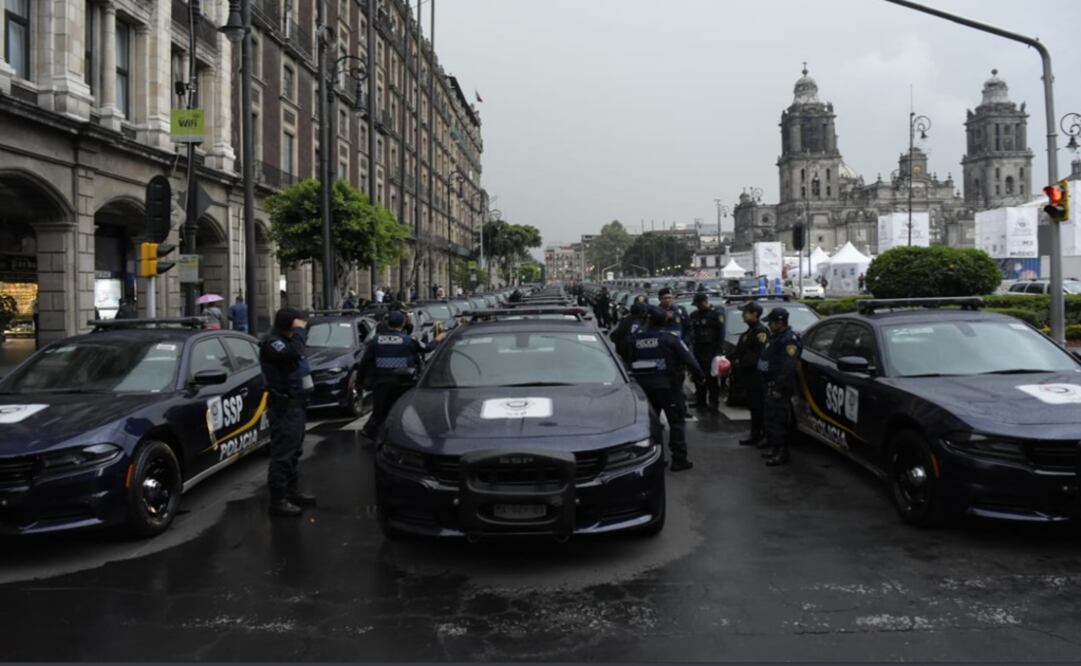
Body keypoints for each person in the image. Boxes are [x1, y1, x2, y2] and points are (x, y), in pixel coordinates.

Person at [631, 306, 705, 472]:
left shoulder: (636, 339)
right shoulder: (670, 338)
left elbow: (628, 359)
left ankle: (655, 459)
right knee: (676, 422)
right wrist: (699, 376)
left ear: (648, 320)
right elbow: (688, 358)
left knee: (651, 424)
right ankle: (679, 459)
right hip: (669, 387)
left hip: (644, 389)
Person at [259, 308, 317, 516]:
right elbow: (293, 353)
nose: (303, 329)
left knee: (294, 452)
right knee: (283, 454)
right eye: (299, 324)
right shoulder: (273, 343)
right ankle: (278, 500)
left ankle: (291, 492)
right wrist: (299, 331)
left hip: (297, 405)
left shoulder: (289, 340)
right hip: (284, 408)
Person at [359, 310, 445, 439]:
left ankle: (372, 433)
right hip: (403, 383)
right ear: (403, 323)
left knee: (379, 412)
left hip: (381, 383)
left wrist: (359, 383)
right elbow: (426, 348)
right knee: (402, 411)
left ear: (388, 323)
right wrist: (439, 338)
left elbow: (365, 362)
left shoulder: (376, 341)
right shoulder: (408, 340)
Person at [758, 307, 802, 467]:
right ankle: (775, 447)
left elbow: (787, 368)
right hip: (769, 383)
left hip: (779, 387)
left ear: (779, 322)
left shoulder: (789, 340)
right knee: (771, 418)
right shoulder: (777, 337)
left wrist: (778, 387)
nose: (769, 326)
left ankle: (782, 452)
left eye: (771, 322)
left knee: (779, 419)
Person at [732, 301, 768, 446]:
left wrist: (744, 361)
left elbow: (761, 355)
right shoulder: (750, 331)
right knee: (753, 405)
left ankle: (762, 435)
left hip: (756, 375)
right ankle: (755, 434)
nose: (743, 315)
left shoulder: (760, 331)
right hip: (748, 375)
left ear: (754, 314)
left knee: (759, 406)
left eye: (745, 312)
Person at [688, 292, 724, 409]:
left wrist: (719, 351)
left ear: (704, 302)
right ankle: (700, 400)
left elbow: (721, 333)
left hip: (711, 350)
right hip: (698, 349)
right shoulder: (694, 315)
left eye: (699, 304)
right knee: (698, 375)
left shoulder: (715, 314)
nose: (698, 306)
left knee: (711, 377)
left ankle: (713, 401)